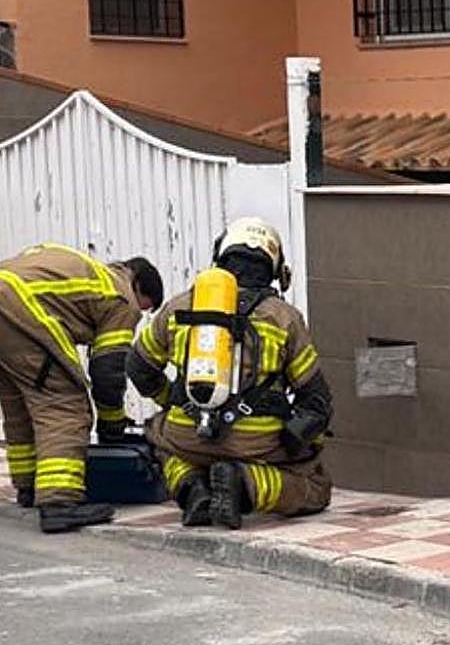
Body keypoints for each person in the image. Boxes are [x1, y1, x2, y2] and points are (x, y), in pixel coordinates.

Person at [126, 217, 333, 529]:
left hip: (188, 434)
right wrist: (296, 438)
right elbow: (315, 397)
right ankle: (244, 484)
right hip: (256, 441)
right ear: (274, 269)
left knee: (158, 435)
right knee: (316, 485)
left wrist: (171, 399)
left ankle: (193, 488)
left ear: (220, 258)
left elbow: (138, 366)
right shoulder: (283, 318)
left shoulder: (178, 307)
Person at [0, 243, 163, 532]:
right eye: (144, 308)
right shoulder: (121, 295)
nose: (138, 317)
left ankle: (29, 486)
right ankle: (59, 502)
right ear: (137, 285)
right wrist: (111, 424)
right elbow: (108, 373)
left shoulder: (91, 275)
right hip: (20, 305)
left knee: (20, 403)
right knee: (63, 405)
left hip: (9, 293)